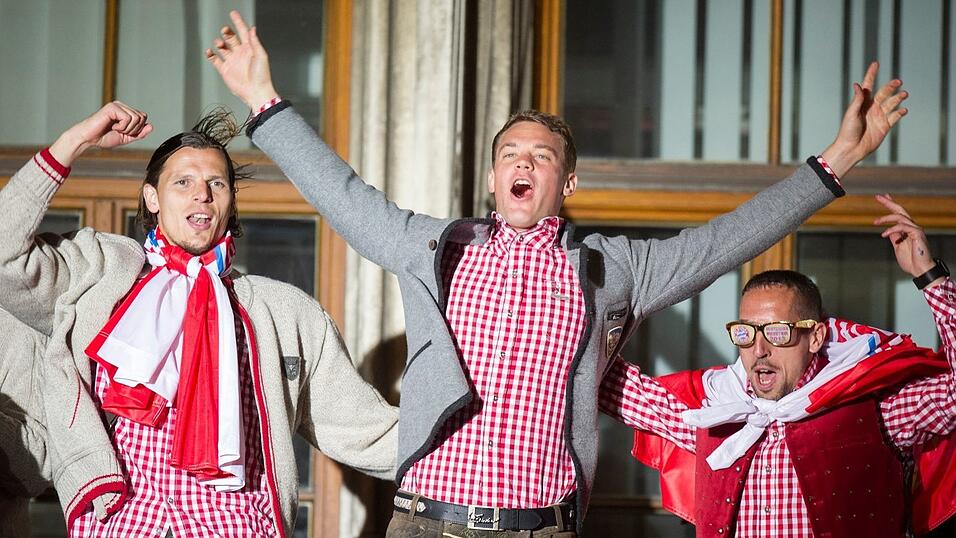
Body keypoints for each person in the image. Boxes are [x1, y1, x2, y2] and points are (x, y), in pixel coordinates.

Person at [206, 10, 908, 535]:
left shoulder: (611, 267)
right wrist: (264, 100)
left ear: (566, 182)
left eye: (541, 156)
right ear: (492, 177)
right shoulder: (433, 247)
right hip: (427, 522)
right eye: (510, 153)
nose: (523, 162)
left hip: (540, 527)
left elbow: (725, 240)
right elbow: (343, 195)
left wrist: (835, 163)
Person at [0, 102, 399, 537]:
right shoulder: (98, 273)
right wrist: (73, 142)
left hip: (235, 526)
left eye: (216, 183)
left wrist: (461, 449)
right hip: (125, 524)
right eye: (183, 182)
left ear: (230, 202)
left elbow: (368, 433)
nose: (202, 194)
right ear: (152, 198)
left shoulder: (286, 313)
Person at [614, 194, 956, 537]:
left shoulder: (876, 411)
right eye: (746, 333)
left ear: (816, 337)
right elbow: (607, 384)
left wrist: (931, 277)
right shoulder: (716, 414)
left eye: (777, 333)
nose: (759, 349)